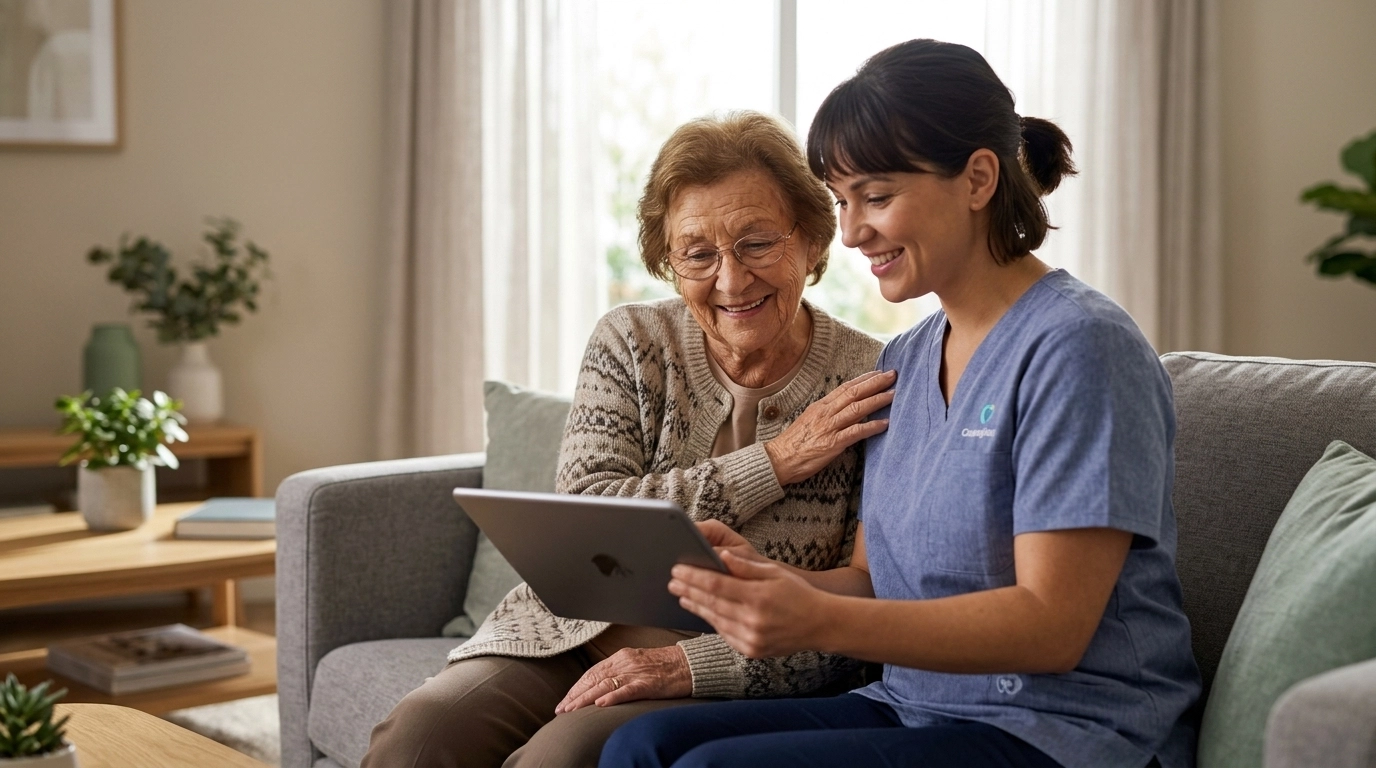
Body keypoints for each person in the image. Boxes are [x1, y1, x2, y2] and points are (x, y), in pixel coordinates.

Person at [600, 39, 1203, 768]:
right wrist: (763, 582)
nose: (851, 234)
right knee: (639, 747)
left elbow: (1052, 627)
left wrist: (816, 621)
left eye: (877, 198)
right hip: (917, 703)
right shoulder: (907, 361)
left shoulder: (1081, 347)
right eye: (842, 202)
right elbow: (871, 579)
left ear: (979, 177)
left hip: (1065, 727)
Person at [361, 111, 891, 768]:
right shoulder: (632, 341)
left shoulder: (873, 379)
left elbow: (869, 599)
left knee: (561, 758)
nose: (730, 279)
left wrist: (685, 662)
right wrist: (776, 462)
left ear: (811, 240)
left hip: (732, 671)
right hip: (567, 635)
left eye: (756, 243)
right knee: (421, 735)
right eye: (698, 253)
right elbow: (589, 509)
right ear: (668, 261)